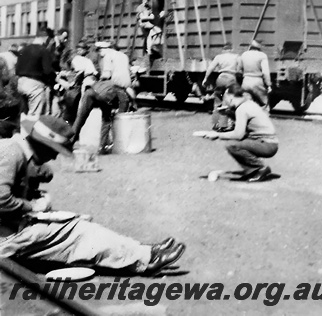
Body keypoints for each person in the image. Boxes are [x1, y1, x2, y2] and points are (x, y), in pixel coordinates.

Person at [0, 115, 185, 273]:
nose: (55, 157)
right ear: (42, 144)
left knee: (73, 225)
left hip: (8, 229)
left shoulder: (15, 148)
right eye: (54, 151)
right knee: (77, 232)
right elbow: (1, 199)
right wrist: (34, 206)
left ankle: (141, 250)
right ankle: (145, 259)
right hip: (5, 239)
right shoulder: (11, 153)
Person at [194, 85, 278, 182]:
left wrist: (217, 135)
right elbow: (246, 126)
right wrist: (229, 113)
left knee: (232, 145)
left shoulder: (241, 109)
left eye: (225, 98)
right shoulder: (248, 104)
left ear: (230, 97)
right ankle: (252, 171)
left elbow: (238, 134)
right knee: (235, 143)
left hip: (267, 145)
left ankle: (259, 168)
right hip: (269, 143)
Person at [70, 80, 131, 154]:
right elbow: (124, 102)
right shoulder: (120, 89)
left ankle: (69, 142)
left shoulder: (108, 82)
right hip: (102, 97)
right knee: (106, 120)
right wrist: (118, 116)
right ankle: (102, 147)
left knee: (80, 119)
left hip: (89, 92)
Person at [202, 43, 242, 130]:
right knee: (228, 102)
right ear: (231, 49)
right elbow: (239, 70)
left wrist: (205, 78)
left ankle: (215, 124)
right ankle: (226, 125)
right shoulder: (236, 57)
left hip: (220, 78)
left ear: (223, 50)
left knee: (217, 102)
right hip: (231, 78)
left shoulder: (219, 57)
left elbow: (210, 68)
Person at [15, 29, 55, 116]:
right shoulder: (43, 50)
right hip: (34, 85)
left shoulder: (23, 50)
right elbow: (48, 71)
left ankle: (22, 129)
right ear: (47, 38)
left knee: (24, 115)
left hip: (21, 83)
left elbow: (17, 69)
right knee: (35, 116)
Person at [240, 40, 272, 107]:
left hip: (245, 82)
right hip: (257, 82)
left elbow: (239, 69)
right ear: (259, 47)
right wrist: (268, 85)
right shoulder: (262, 55)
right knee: (263, 104)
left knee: (246, 104)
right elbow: (265, 72)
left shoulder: (244, 54)